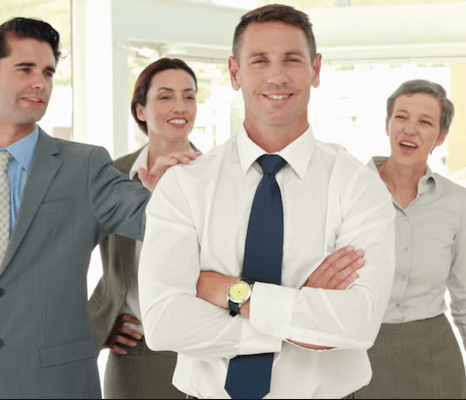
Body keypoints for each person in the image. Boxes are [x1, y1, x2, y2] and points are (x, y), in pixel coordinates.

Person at [138, 4, 396, 399]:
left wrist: (231, 292)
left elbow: (358, 324)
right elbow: (164, 325)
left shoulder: (359, 186)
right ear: (235, 72)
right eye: (259, 60)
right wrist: (302, 322)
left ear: (316, 69)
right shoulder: (184, 186)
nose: (276, 76)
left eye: (292, 60)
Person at [0, 17, 197, 398]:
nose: (40, 82)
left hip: (55, 383)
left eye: (48, 72)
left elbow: (161, 228)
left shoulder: (84, 166)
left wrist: (160, 196)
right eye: (25, 69)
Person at [356, 79, 466, 399]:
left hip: (436, 358)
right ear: (387, 124)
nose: (410, 129)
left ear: (442, 135)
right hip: (358, 355)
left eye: (425, 122)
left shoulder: (456, 200)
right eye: (401, 117)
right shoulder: (350, 190)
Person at [89, 58, 202, 399]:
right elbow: (64, 256)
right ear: (140, 110)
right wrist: (94, 327)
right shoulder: (111, 176)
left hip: (201, 348)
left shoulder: (217, 176)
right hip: (135, 353)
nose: (180, 106)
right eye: (166, 96)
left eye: (189, 96)